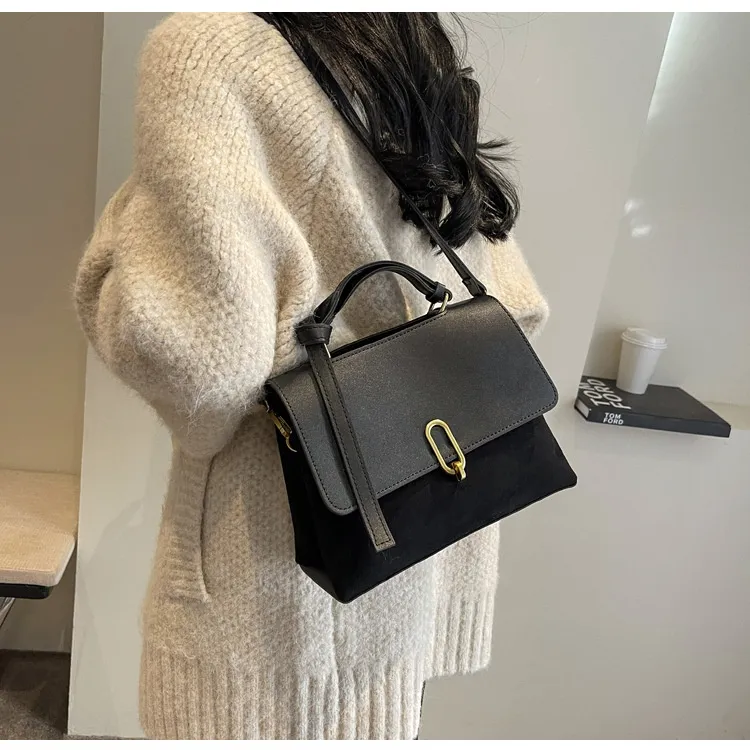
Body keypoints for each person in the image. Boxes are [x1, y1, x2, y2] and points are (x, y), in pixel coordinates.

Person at [74, 12, 549, 740]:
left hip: (275, 592)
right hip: (416, 553)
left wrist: (127, 226)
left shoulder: (207, 50)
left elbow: (198, 362)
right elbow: (514, 301)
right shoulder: (403, 36)